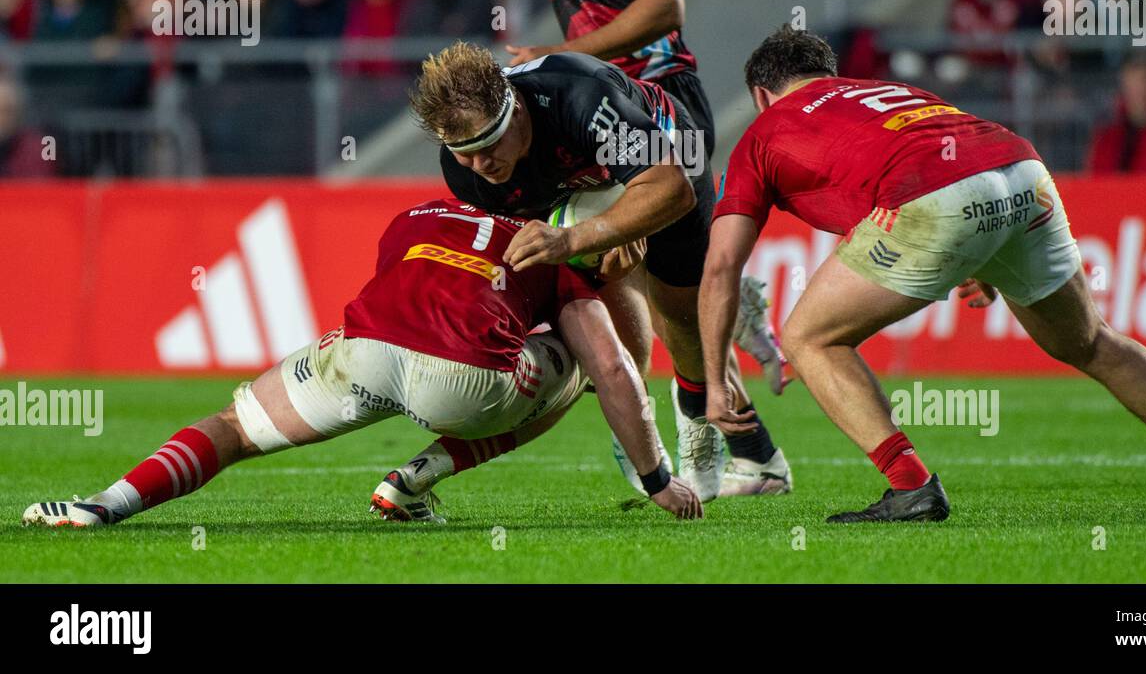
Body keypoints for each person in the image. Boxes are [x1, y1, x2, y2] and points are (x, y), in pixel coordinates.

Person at [698, 26, 1146, 522]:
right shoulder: (886, 90)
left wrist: (715, 381)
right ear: (828, 75)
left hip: (936, 198)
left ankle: (911, 487)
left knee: (807, 337)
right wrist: (984, 251)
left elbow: (722, 264)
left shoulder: (764, 132)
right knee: (1091, 341)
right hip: (1020, 170)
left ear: (760, 94)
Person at [23, 197, 702, 528]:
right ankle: (415, 476)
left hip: (367, 350)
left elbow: (399, 283)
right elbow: (616, 372)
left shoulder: (416, 215)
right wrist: (657, 479)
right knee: (584, 365)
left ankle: (102, 504)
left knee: (233, 425)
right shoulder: (553, 247)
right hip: (467, 383)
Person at [509, 0, 789, 432]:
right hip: (613, 108)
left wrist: (560, 56)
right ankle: (732, 318)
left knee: (664, 298)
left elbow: (664, 6)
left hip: (661, 102)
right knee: (649, 287)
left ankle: (724, 439)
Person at [415, 42, 790, 501]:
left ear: (514, 112)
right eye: (464, 152)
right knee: (607, 320)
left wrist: (586, 233)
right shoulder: (468, 171)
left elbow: (670, 190)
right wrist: (604, 233)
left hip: (670, 155)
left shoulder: (581, 98)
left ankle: (697, 423)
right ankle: (633, 421)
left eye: (488, 145)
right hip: (577, 192)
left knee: (680, 319)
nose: (480, 165)